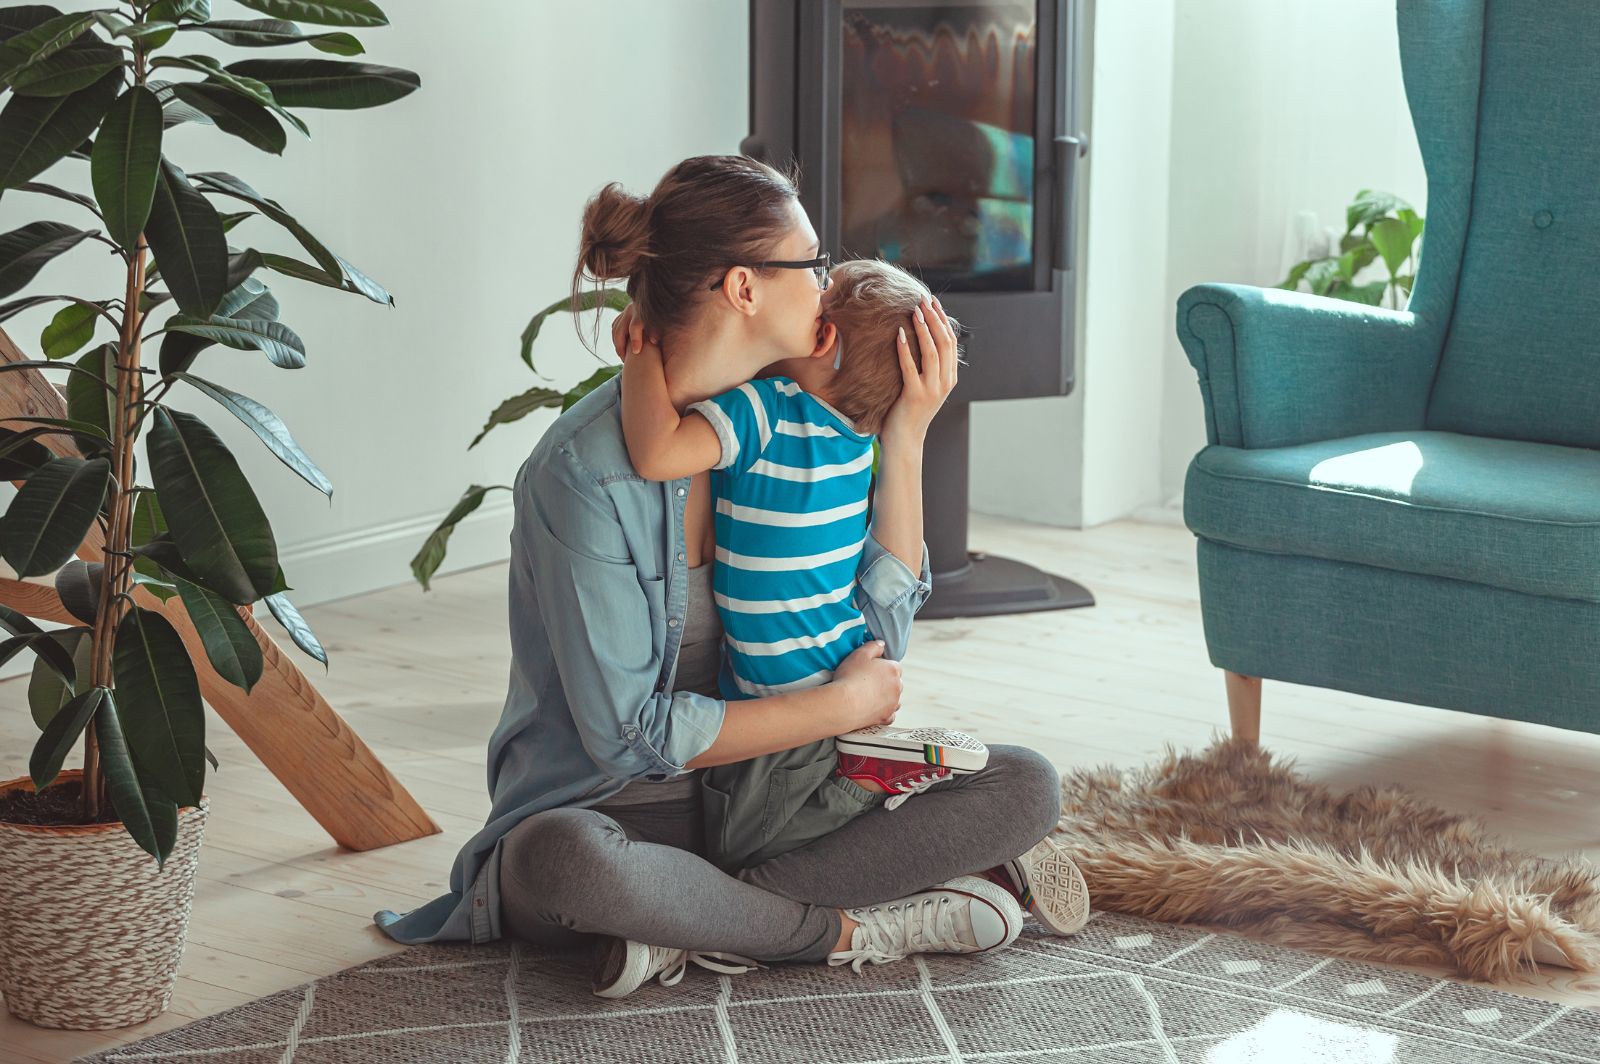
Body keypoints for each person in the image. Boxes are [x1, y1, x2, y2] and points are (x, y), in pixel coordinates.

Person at [372, 156, 1088, 999]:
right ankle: (846, 928)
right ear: (745, 288)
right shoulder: (584, 475)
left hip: (776, 792)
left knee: (1025, 783)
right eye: (812, 263)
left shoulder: (800, 419)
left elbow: (872, 640)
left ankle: (700, 924)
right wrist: (841, 708)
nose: (828, 284)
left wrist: (906, 438)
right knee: (563, 863)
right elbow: (626, 737)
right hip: (622, 810)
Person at [618, 257, 991, 819]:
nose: (809, 289)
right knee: (834, 810)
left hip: (778, 698)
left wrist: (642, 349)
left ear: (822, 334)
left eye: (820, 288)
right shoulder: (857, 443)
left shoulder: (764, 412)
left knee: (749, 838)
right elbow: (893, 602)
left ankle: (881, 793)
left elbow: (656, 453)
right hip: (843, 658)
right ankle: (902, 798)